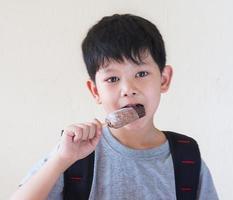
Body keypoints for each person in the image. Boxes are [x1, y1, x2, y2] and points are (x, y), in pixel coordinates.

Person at [11, 14, 218, 200]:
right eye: (112, 78)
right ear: (95, 91)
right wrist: (62, 159)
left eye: (141, 74)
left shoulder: (186, 157)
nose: (128, 89)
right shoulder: (73, 153)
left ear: (164, 79)